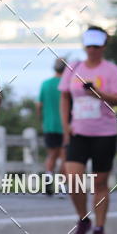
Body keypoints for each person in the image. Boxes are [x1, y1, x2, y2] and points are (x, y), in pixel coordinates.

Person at [59, 27, 117, 234]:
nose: (92, 49)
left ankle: (99, 227)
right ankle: (83, 218)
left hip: (104, 133)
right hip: (78, 132)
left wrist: (98, 92)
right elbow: (65, 97)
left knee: (100, 183)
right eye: (89, 45)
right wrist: (66, 126)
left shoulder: (111, 70)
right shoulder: (74, 68)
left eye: (97, 45)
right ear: (84, 46)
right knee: (73, 179)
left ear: (104, 46)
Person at [36, 57, 66, 197]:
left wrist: (41, 119)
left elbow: (39, 105)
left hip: (49, 125)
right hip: (66, 126)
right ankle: (62, 186)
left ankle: (48, 178)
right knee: (64, 157)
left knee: (51, 155)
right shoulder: (67, 85)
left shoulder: (45, 84)